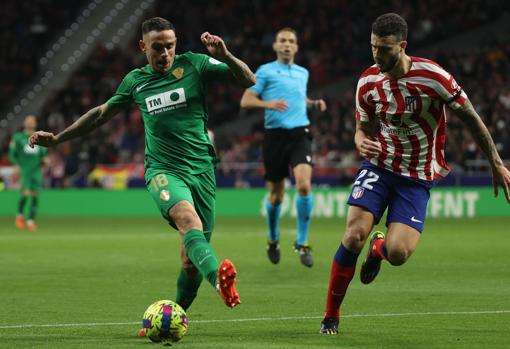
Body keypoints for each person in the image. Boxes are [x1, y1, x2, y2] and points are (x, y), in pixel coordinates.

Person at [29, 17, 256, 314]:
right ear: (142, 47)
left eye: (170, 46)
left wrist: (225, 56)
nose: (165, 54)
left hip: (202, 172)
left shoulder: (195, 65)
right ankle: (220, 282)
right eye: (157, 48)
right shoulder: (136, 81)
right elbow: (100, 114)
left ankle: (175, 314)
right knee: (188, 220)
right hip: (163, 170)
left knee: (190, 263)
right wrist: (58, 138)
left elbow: (248, 80)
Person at [319, 13, 510, 334]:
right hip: (379, 167)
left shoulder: (433, 76)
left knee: (398, 253)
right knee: (353, 235)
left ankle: (378, 249)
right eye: (373, 47)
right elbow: (361, 129)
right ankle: (330, 317)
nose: (377, 55)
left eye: (385, 49)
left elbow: (471, 117)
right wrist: (362, 143)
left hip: (417, 176)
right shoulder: (367, 81)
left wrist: (495, 161)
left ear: (403, 46)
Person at [240, 27, 327, 267]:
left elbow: (300, 99)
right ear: (275, 46)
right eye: (282, 41)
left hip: (300, 133)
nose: (287, 44)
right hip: (275, 137)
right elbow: (246, 100)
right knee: (276, 196)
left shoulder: (303, 73)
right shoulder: (265, 71)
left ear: (296, 47)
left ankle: (302, 242)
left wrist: (313, 104)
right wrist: (269, 103)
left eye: (291, 41)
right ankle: (273, 238)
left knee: (304, 185)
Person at [8, 115, 48, 232]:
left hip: (36, 171)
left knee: (35, 196)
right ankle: (19, 215)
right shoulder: (18, 137)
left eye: (32, 121)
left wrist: (45, 160)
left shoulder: (39, 137)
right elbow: (12, 154)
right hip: (24, 170)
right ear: (24, 122)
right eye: (28, 120)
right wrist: (16, 165)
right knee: (25, 194)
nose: (30, 122)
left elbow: (43, 154)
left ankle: (31, 221)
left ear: (35, 123)